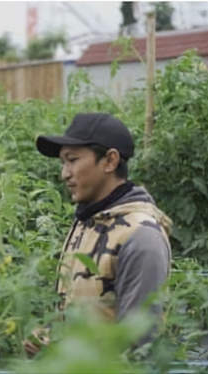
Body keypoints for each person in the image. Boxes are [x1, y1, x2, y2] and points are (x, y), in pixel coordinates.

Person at [25, 113, 173, 355]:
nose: (65, 173)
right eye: (63, 163)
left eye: (72, 160)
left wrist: (61, 353)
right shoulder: (89, 222)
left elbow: (139, 344)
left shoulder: (141, 236)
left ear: (109, 161)